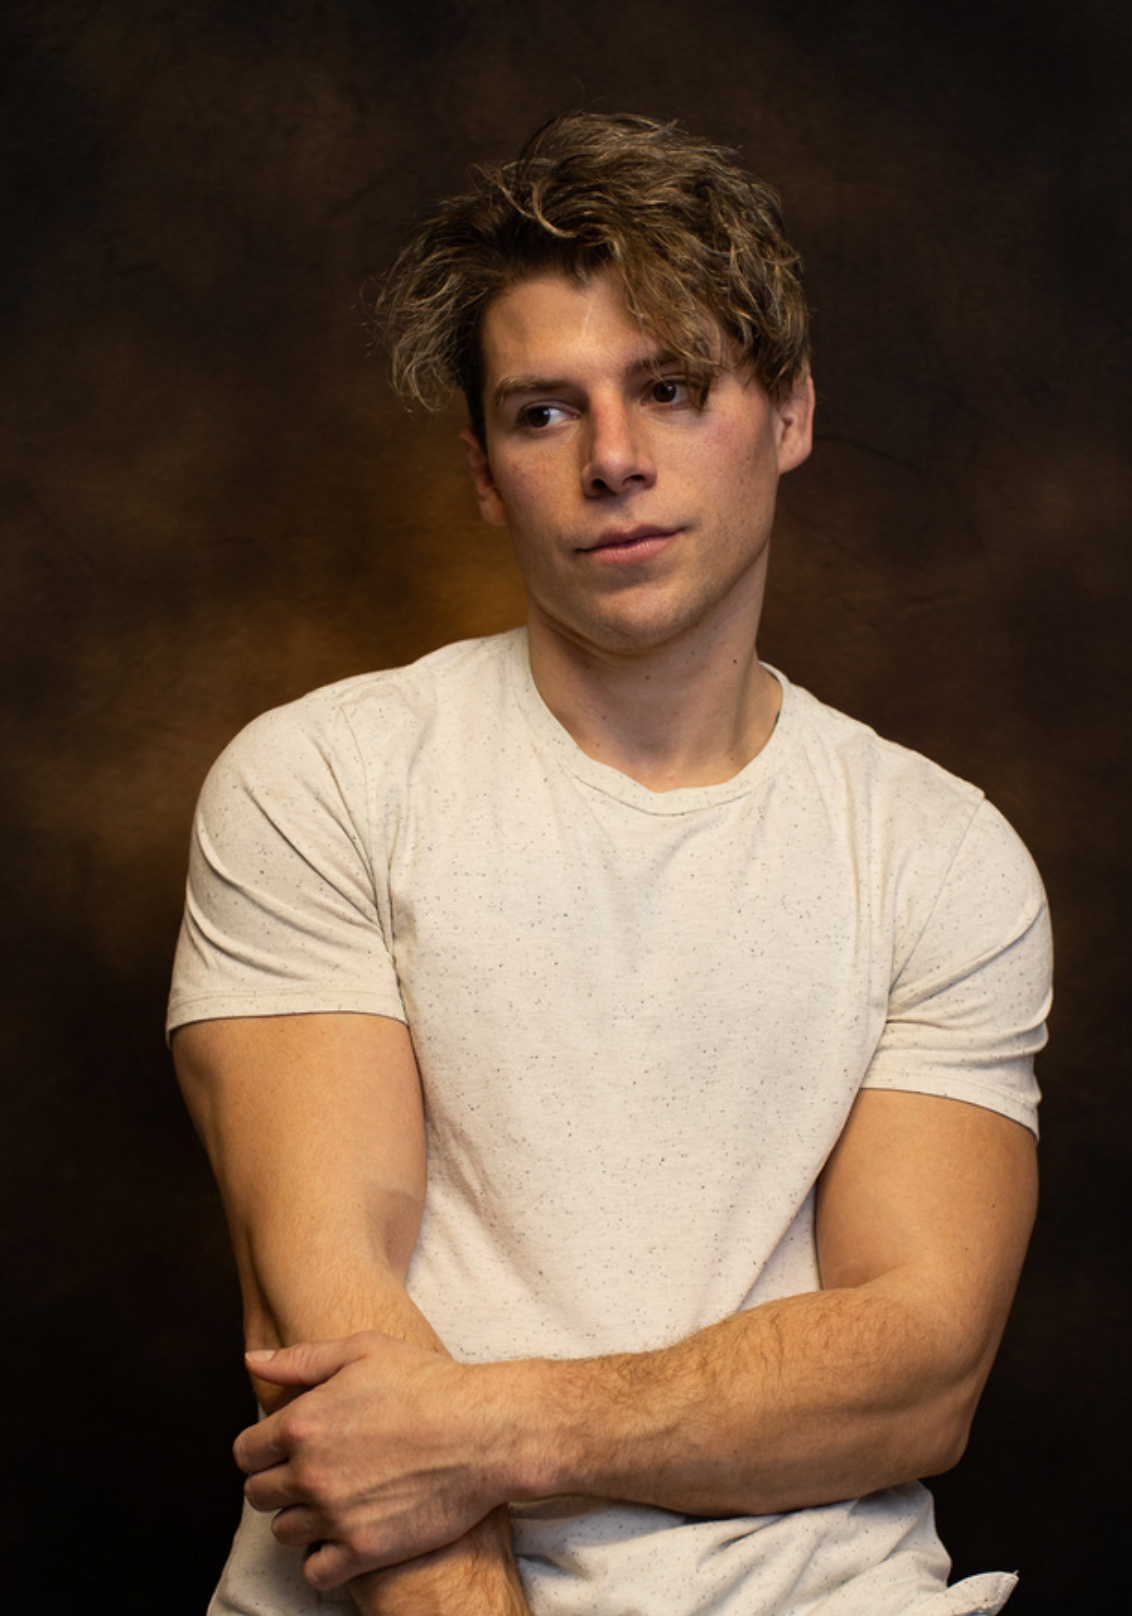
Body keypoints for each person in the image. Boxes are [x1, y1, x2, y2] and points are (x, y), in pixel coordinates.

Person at [169, 112, 1051, 1616]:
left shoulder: (941, 855)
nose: (616, 461)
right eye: (542, 412)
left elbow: (914, 1378)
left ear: (788, 414)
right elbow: (325, 1328)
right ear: (480, 470)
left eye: (672, 388)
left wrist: (492, 1426)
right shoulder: (319, 779)